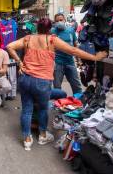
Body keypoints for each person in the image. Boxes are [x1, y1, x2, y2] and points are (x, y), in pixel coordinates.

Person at [6, 18, 107, 151]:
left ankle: (27, 140)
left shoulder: (28, 39)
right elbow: (73, 51)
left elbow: (9, 47)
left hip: (25, 79)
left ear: (37, 27)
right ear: (49, 29)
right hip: (42, 83)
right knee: (43, 109)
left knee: (26, 110)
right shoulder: (53, 40)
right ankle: (42, 136)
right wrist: (95, 57)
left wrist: (20, 62)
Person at [51, 13, 84, 94]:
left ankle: (78, 102)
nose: (59, 22)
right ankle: (57, 104)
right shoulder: (52, 31)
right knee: (57, 87)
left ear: (65, 20)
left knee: (76, 85)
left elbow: (75, 46)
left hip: (70, 62)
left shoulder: (70, 30)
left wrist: (79, 60)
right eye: (57, 21)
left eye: (61, 20)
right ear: (55, 22)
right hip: (57, 63)